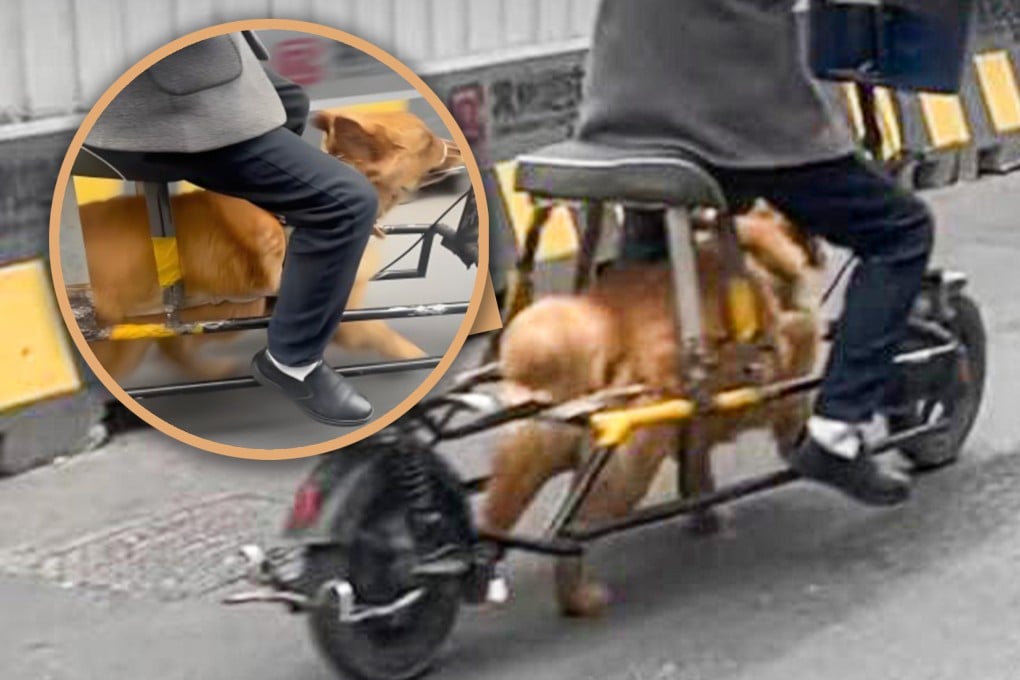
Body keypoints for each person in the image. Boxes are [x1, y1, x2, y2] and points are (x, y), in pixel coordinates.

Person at [577, 0, 935, 505]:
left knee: (651, 274)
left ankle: (621, 381)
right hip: (734, 126)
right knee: (901, 231)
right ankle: (837, 433)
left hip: (617, 122)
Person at [83, 31, 377, 427]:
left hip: (185, 68)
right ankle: (294, 362)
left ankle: (290, 261)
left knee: (289, 100)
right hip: (159, 103)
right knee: (348, 200)